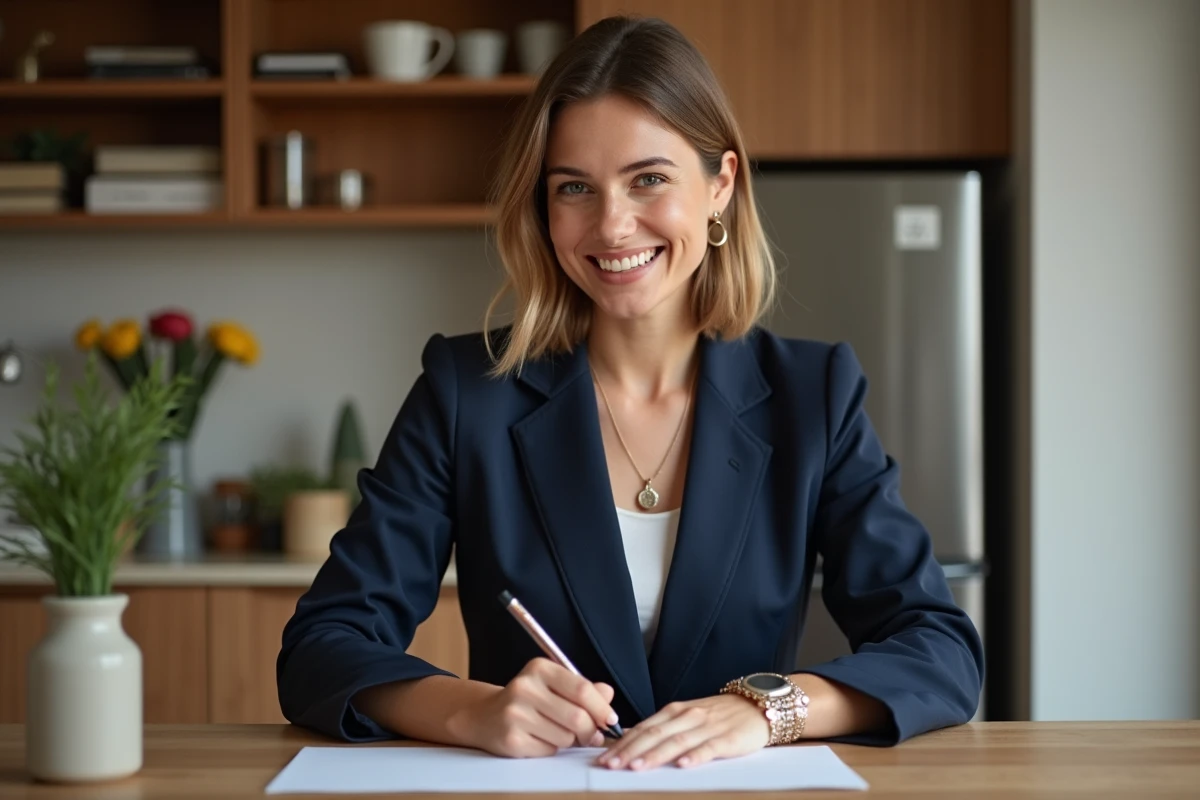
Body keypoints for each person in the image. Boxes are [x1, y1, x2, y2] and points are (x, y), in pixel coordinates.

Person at [277, 15, 983, 771]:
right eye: (574, 188)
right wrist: (472, 709)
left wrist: (770, 710)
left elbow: (938, 649)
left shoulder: (813, 395)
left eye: (648, 179)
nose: (612, 226)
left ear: (720, 185)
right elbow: (323, 647)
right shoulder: (466, 394)